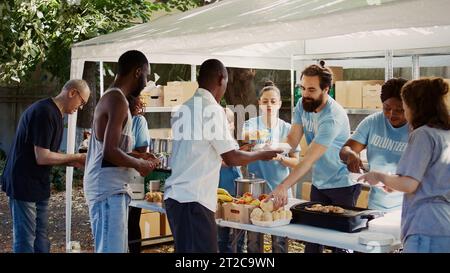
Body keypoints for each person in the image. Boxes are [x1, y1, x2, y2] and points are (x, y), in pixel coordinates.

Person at [163, 59, 281, 253]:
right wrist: (262, 154)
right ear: (221, 79)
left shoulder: (184, 108)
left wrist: (243, 151)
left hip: (176, 198)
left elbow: (199, 151)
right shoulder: (212, 109)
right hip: (194, 200)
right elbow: (231, 158)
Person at [270, 63, 361, 253]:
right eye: (303, 88)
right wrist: (268, 150)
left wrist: (283, 186)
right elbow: (292, 141)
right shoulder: (302, 105)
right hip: (319, 184)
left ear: (326, 89)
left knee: (338, 243)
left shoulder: (332, 117)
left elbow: (308, 159)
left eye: (311, 89)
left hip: (342, 185)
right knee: (312, 239)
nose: (305, 94)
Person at [359, 77, 450, 253]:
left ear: (414, 107)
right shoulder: (444, 133)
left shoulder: (422, 135)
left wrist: (379, 176)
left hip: (426, 226)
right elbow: (427, 179)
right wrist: (394, 183)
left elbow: (409, 184)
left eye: (404, 107)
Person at [1, 79, 90, 253]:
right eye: (82, 102)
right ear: (72, 93)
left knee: (40, 237)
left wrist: (76, 162)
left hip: (38, 182)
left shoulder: (56, 114)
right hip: (23, 182)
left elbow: (51, 156)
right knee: (25, 239)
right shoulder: (44, 112)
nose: (80, 108)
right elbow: (42, 157)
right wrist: (77, 156)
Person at [83, 50, 158, 253]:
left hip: (111, 188)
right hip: (107, 190)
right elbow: (109, 152)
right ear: (138, 71)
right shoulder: (117, 100)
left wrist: (139, 156)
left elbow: (113, 150)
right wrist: (139, 164)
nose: (146, 81)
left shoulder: (117, 99)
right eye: (147, 75)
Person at [243, 81, 299, 253]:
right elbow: (244, 141)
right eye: (265, 101)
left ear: (280, 104)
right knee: (253, 239)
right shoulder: (251, 124)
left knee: (280, 240)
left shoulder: (287, 129)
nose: (269, 105)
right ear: (259, 103)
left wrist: (279, 157)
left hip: (280, 189)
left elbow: (297, 162)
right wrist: (258, 142)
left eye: (273, 101)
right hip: (255, 189)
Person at [340, 78, 409, 211]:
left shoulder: (417, 129)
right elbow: (345, 149)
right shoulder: (373, 122)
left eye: (399, 110)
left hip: (405, 207)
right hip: (376, 205)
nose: (391, 114)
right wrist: (350, 155)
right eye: (387, 108)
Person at [217, 107, 245, 253]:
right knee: (221, 235)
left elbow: (230, 161)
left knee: (237, 235)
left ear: (232, 125)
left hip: (234, 193)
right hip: (219, 194)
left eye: (226, 121)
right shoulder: (216, 141)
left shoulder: (232, 143)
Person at [127, 95, 150, 253]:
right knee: (125, 223)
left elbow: (142, 151)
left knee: (132, 222)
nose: (140, 105)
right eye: (137, 102)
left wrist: (125, 152)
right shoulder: (119, 117)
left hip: (134, 176)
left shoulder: (138, 121)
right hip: (118, 178)